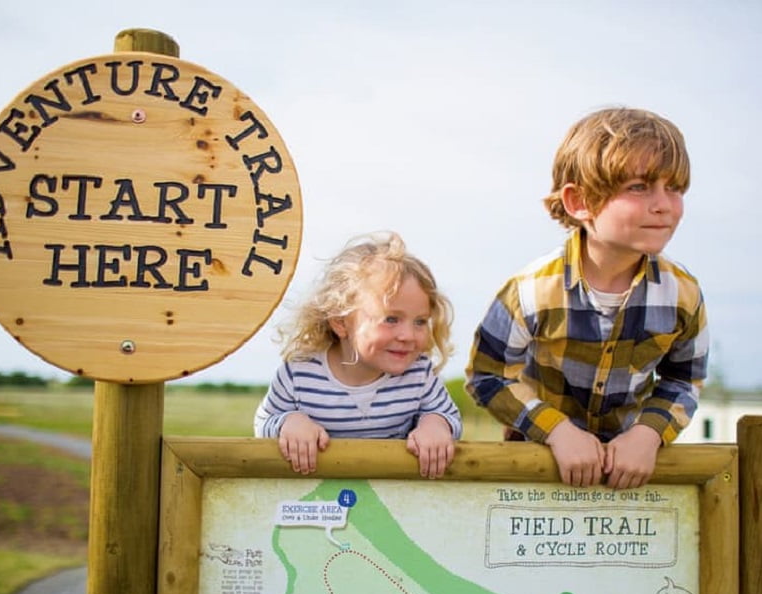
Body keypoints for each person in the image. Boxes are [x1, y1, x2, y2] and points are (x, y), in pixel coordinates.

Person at [466, 107, 709, 490]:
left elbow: (683, 379)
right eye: (639, 187)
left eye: (674, 188)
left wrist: (648, 434)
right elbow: (488, 376)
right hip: (536, 469)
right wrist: (558, 431)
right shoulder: (530, 290)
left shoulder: (682, 294)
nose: (664, 204)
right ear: (579, 201)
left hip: (631, 475)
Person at [255, 231, 462, 479]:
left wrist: (436, 424)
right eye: (391, 319)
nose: (408, 334)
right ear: (341, 322)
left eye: (420, 322)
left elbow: (451, 418)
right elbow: (263, 424)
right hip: (320, 502)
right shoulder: (299, 374)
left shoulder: (419, 375)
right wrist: (289, 422)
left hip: (391, 498)